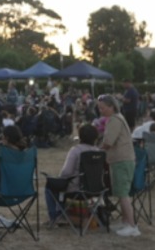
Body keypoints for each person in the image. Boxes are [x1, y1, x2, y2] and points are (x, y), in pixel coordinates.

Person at [97, 94, 139, 237]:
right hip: (123, 160)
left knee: (122, 194)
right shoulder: (118, 118)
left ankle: (132, 226)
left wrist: (97, 149)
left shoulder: (114, 120)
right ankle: (125, 222)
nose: (101, 111)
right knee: (122, 193)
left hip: (121, 160)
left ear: (111, 107)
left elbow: (108, 142)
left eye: (102, 108)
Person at [46, 124, 101, 223]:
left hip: (76, 189)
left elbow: (66, 173)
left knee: (50, 187)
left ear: (80, 137)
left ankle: (57, 216)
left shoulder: (75, 151)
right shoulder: (99, 152)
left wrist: (60, 179)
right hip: (95, 189)